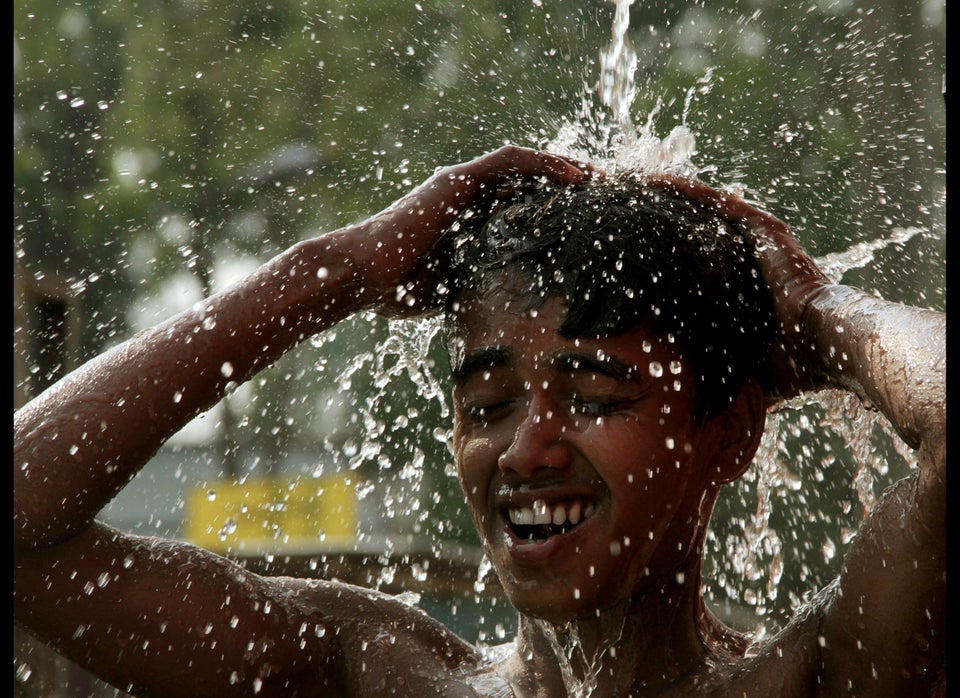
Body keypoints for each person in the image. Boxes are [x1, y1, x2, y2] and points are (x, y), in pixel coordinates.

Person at [14, 145, 944, 697]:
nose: (528, 451)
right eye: (489, 406)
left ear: (730, 434)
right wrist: (340, 270)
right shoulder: (373, 673)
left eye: (594, 397)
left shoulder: (821, 679)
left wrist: (820, 314)